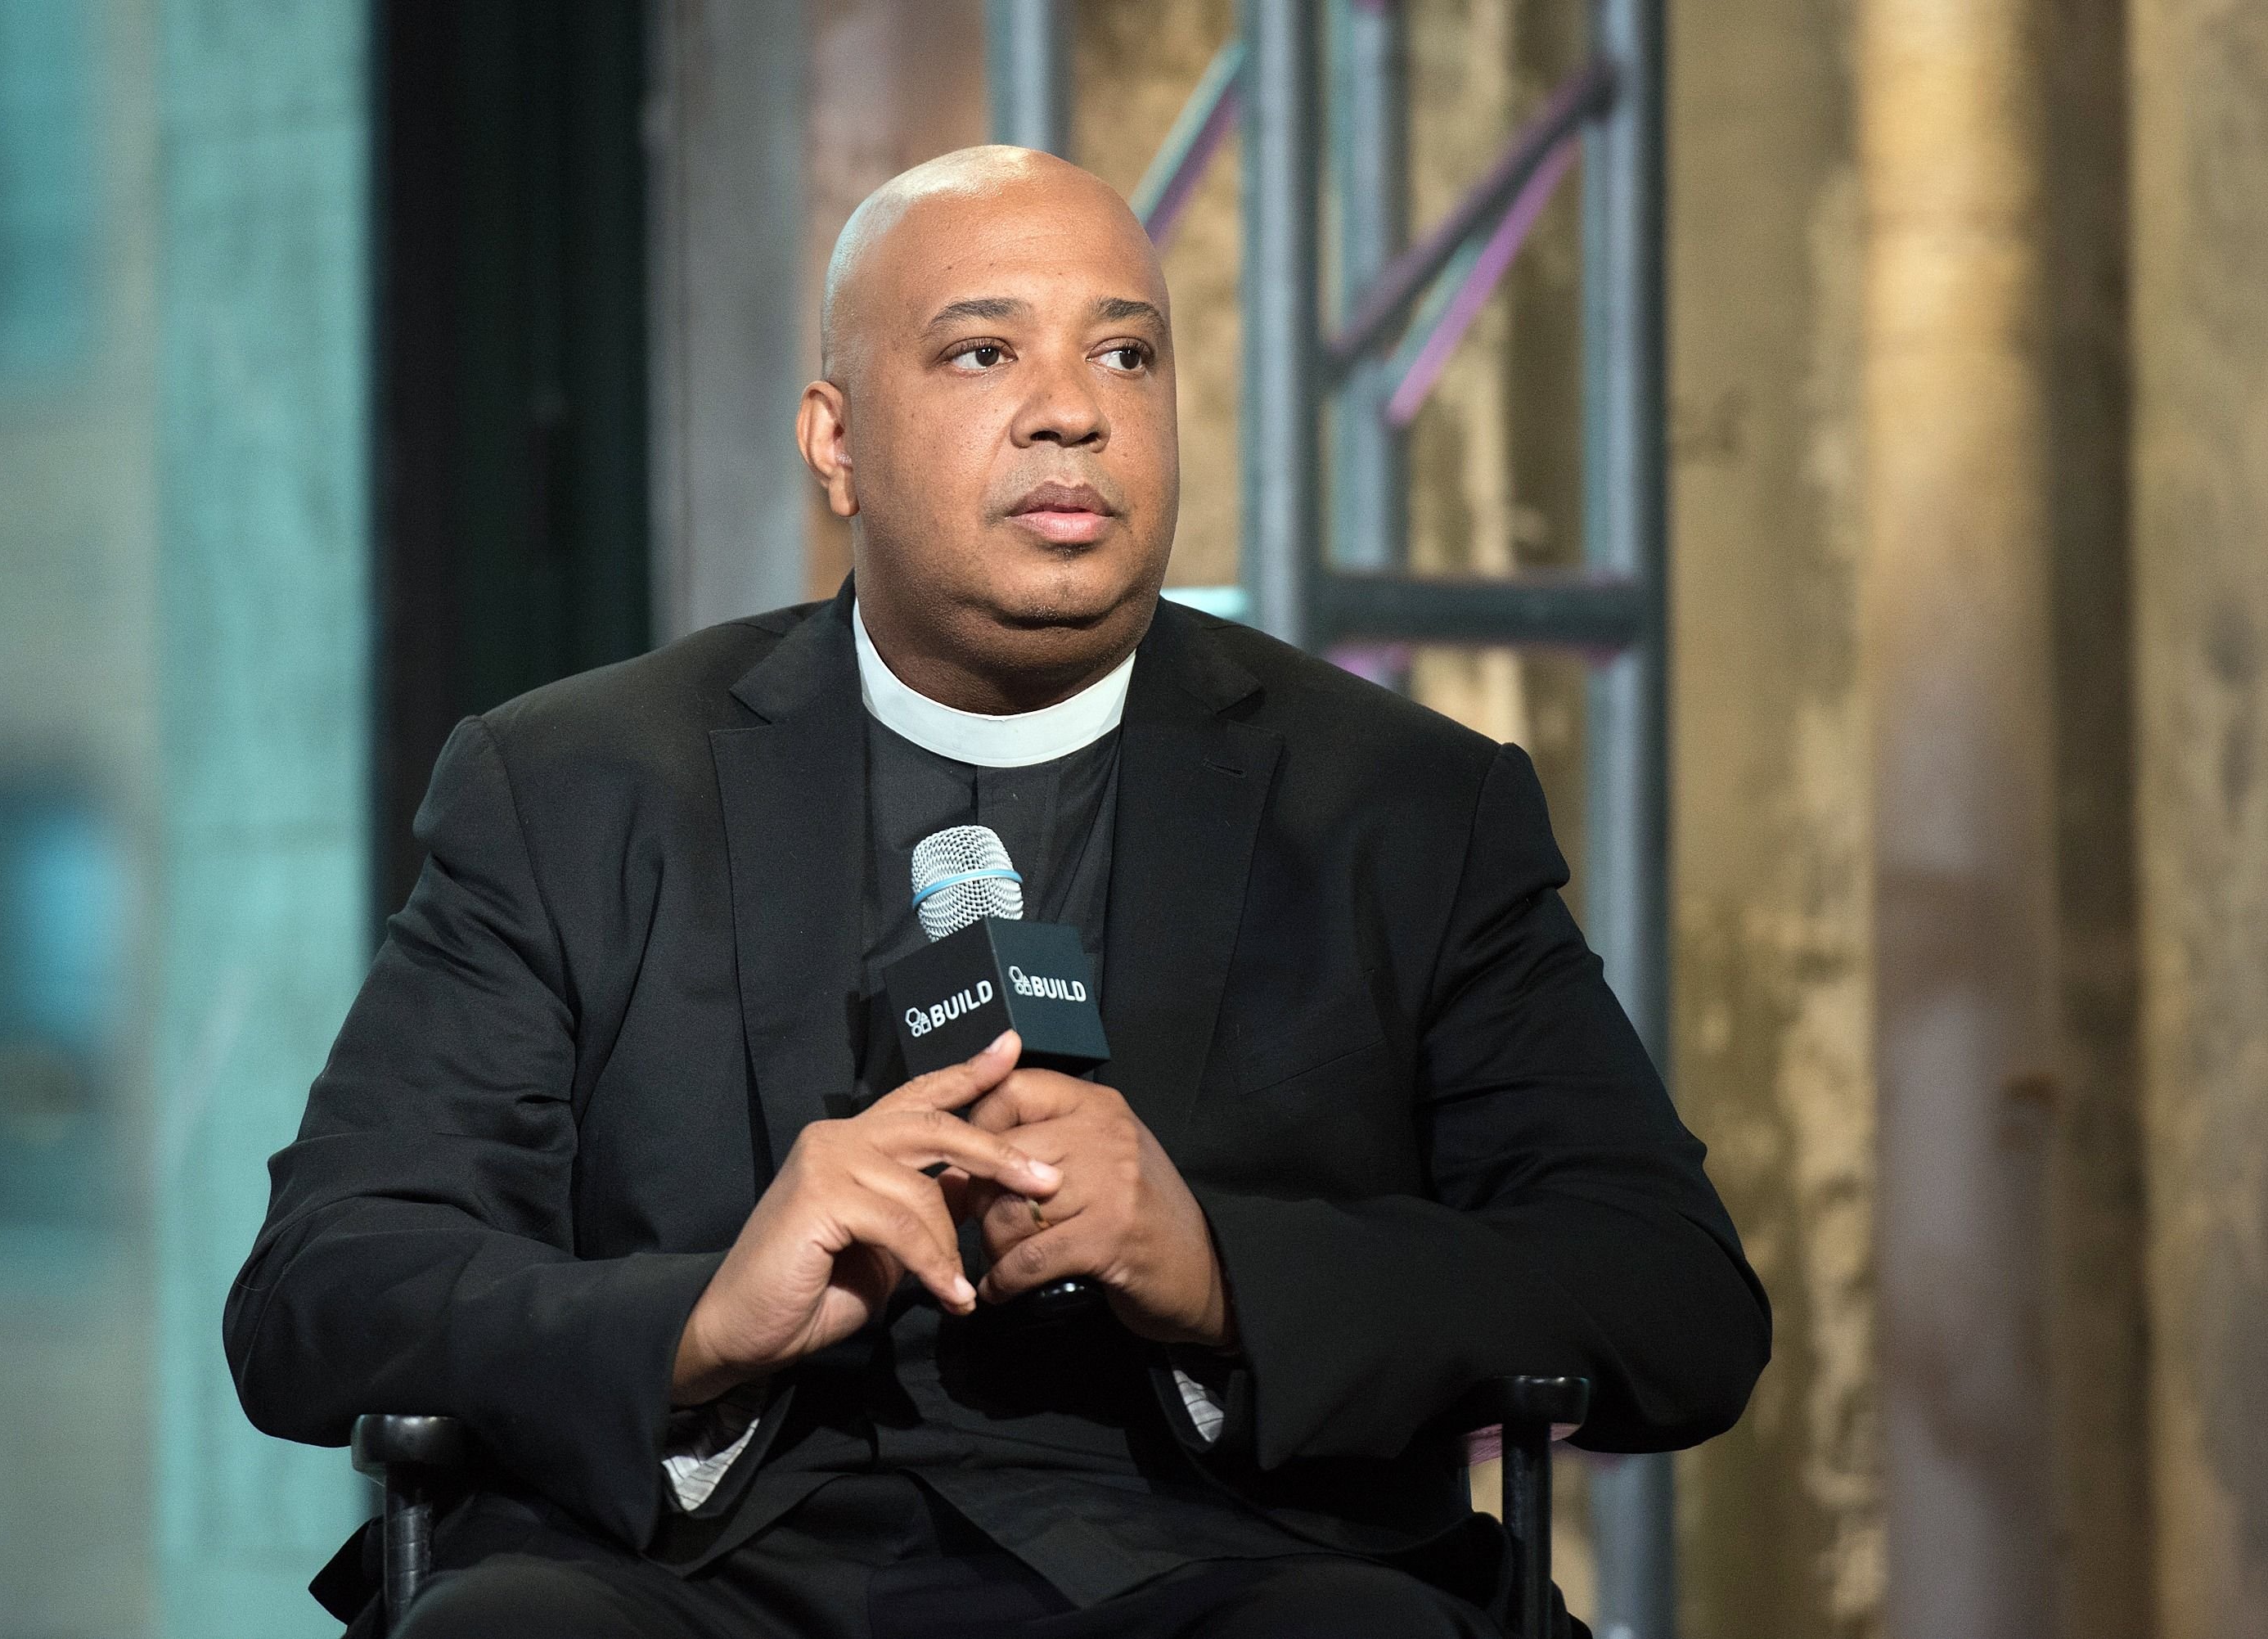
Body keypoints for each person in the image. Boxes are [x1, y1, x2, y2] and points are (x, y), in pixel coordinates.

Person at [227, 146, 1769, 1639]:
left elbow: (1671, 1305)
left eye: (1127, 356)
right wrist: (696, 1318)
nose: (1070, 416)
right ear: (833, 440)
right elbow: (320, 1291)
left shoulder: (1401, 804)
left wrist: (1224, 1271)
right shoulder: (578, 784)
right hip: (694, 1575)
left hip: (1226, 1562)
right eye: (981, 355)